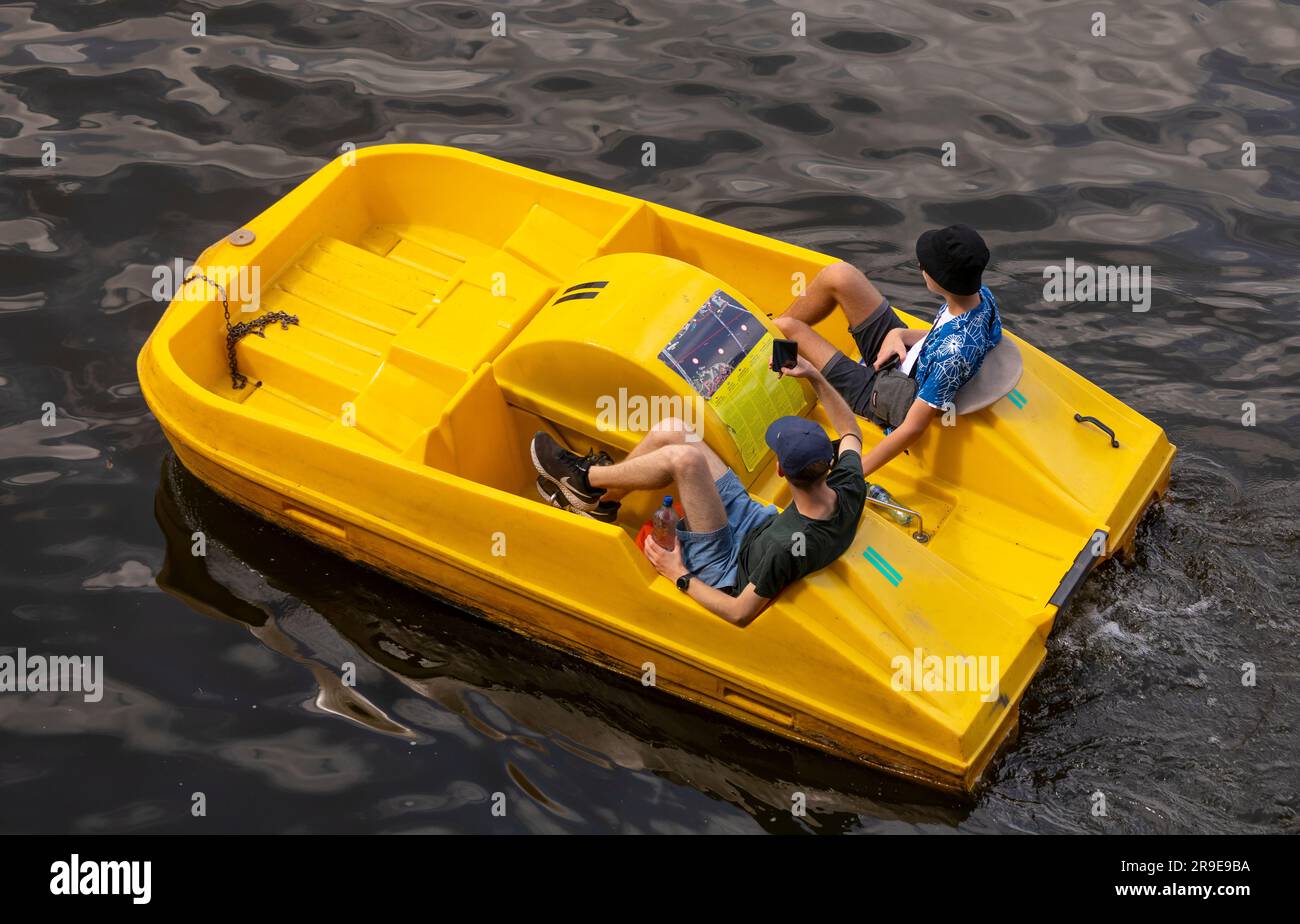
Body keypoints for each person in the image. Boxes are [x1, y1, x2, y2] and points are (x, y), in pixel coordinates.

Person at [530, 356, 866, 627]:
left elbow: (740, 612)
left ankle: (586, 479)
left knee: (686, 459)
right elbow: (850, 429)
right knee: (672, 431)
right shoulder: (849, 485)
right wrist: (814, 376)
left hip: (725, 564)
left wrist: (679, 574)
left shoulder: (784, 548)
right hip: (756, 520)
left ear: (779, 471)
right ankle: (599, 501)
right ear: (829, 462)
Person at [774, 224, 1003, 479]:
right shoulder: (979, 297)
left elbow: (913, 427)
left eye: (925, 265)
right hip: (907, 356)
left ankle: (762, 349)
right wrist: (899, 334)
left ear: (941, 280)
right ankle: (767, 334)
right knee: (840, 275)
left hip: (884, 393)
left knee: (788, 328)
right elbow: (953, 336)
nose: (920, 267)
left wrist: (852, 475)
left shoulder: (953, 356)